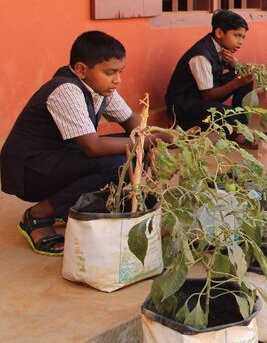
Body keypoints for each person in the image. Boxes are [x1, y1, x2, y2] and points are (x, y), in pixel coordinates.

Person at [0, 32, 154, 256]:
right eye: (110, 72)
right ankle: (38, 215)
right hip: (30, 171)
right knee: (121, 161)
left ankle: (68, 206)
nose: (117, 80)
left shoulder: (101, 88)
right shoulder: (66, 89)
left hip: (57, 159)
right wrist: (149, 140)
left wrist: (156, 140)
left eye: (120, 72)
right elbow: (93, 147)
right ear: (81, 69)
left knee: (133, 149)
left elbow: (132, 123)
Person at [165, 10, 255, 143]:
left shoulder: (221, 48)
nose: (240, 42)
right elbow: (209, 95)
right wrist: (236, 83)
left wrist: (235, 64)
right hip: (185, 106)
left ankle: (240, 128)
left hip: (202, 95)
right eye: (237, 35)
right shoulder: (200, 56)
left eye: (243, 37)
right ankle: (183, 125)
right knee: (228, 113)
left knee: (245, 77)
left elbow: (238, 76)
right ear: (219, 33)